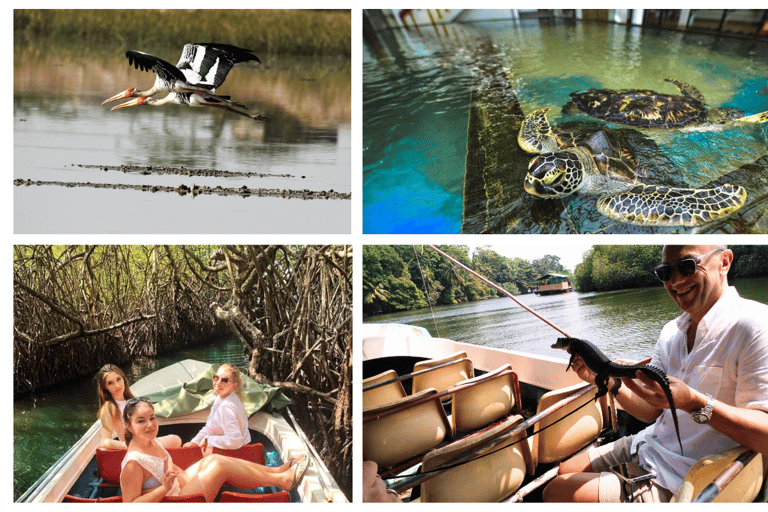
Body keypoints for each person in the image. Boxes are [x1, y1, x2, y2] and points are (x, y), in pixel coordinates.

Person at [543, 245, 768, 502]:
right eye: (665, 272)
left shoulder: (756, 326)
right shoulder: (671, 331)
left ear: (725, 262)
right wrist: (605, 381)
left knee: (555, 492)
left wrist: (695, 402)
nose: (675, 280)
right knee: (565, 471)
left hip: (686, 477)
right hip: (649, 443)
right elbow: (650, 412)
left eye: (687, 266)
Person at [120, 397, 308, 502]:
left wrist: (185, 475)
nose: (150, 425)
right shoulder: (132, 463)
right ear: (128, 426)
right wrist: (165, 488)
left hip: (177, 488)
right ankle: (283, 481)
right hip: (172, 501)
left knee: (213, 459)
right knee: (219, 467)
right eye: (141, 421)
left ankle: (277, 471)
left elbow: (168, 467)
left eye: (152, 418)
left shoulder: (150, 441)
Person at [96, 364, 181, 450]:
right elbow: (104, 441)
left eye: (119, 379)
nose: (117, 385)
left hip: (146, 441)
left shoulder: (130, 400)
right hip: (134, 447)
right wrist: (130, 446)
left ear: (123, 378)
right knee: (175, 439)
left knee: (175, 439)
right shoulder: (109, 406)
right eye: (110, 383)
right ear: (104, 387)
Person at [183, 363, 250, 454]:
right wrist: (194, 442)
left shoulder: (226, 406)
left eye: (224, 380)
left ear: (234, 385)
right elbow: (209, 428)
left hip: (236, 454)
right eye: (216, 378)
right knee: (187, 447)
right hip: (232, 450)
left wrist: (208, 440)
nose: (218, 383)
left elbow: (235, 440)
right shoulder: (224, 397)